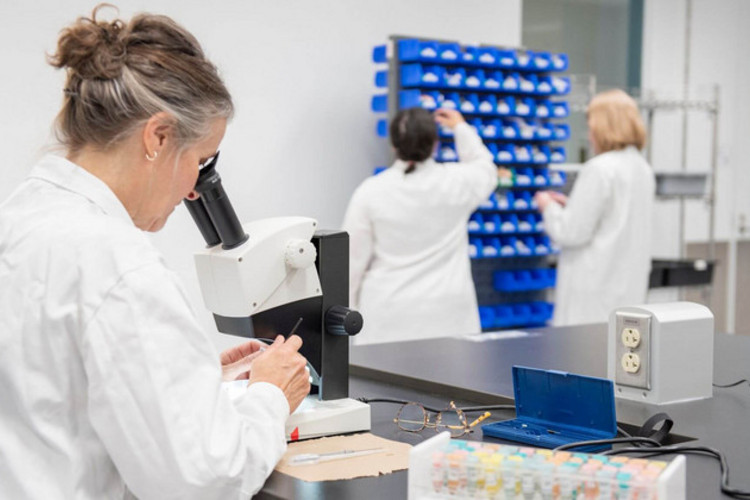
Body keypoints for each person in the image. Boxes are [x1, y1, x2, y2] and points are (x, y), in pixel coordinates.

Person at [0, 7, 310, 499]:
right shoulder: (118, 263)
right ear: (159, 136)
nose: (194, 189)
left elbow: (48, 389)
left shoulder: (21, 216)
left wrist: (185, 382)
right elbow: (204, 481)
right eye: (200, 161)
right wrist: (271, 396)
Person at [342, 108, 497, 345]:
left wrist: (345, 317)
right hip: (448, 314)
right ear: (435, 144)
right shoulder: (457, 182)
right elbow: (485, 167)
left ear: (394, 145)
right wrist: (460, 127)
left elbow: (351, 262)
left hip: (389, 313)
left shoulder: (371, 191)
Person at [534, 89, 655, 326]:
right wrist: (572, 206)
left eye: (591, 127)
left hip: (593, 291)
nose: (589, 136)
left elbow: (570, 232)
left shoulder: (599, 169)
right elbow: (616, 217)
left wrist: (548, 207)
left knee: (585, 347)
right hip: (625, 289)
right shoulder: (642, 168)